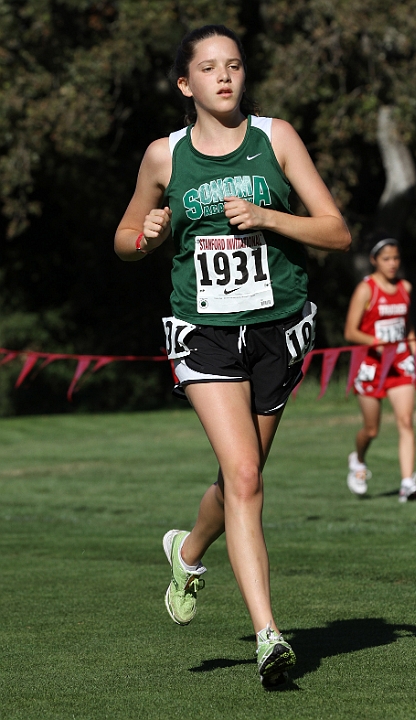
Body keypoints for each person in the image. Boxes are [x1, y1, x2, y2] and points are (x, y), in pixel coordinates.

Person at [115, 24, 351, 689]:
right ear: (186, 85)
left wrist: (271, 218)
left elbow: (335, 230)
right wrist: (147, 235)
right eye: (209, 68)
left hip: (277, 330)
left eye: (235, 65)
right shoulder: (164, 157)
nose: (224, 76)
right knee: (245, 476)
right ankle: (269, 636)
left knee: (239, 478)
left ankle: (187, 550)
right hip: (204, 332)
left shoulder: (275, 139)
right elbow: (125, 237)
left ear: (244, 77)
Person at [344, 237, 416, 503]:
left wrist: (414, 353)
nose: (392, 264)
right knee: (371, 430)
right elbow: (350, 331)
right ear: (374, 261)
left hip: (400, 363)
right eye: (386, 259)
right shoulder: (366, 289)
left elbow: (407, 324)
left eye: (396, 258)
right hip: (371, 366)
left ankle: (407, 483)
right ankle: (358, 460)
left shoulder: (405, 287)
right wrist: (376, 343)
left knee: (405, 421)